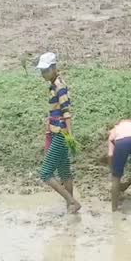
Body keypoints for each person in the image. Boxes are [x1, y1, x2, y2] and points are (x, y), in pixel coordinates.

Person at [37, 52, 81, 213]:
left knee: (46, 173)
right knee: (64, 172)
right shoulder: (54, 85)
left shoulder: (59, 87)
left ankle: (72, 201)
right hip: (58, 133)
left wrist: (69, 135)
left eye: (46, 70)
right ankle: (71, 207)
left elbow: (66, 112)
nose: (43, 74)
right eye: (42, 71)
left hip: (60, 134)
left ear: (54, 68)